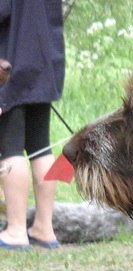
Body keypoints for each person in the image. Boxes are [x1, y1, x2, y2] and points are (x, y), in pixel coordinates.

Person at [0, 0, 64, 251]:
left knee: (10, 148)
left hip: (10, 64)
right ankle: (44, 228)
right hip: (45, 62)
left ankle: (16, 230)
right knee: (41, 147)